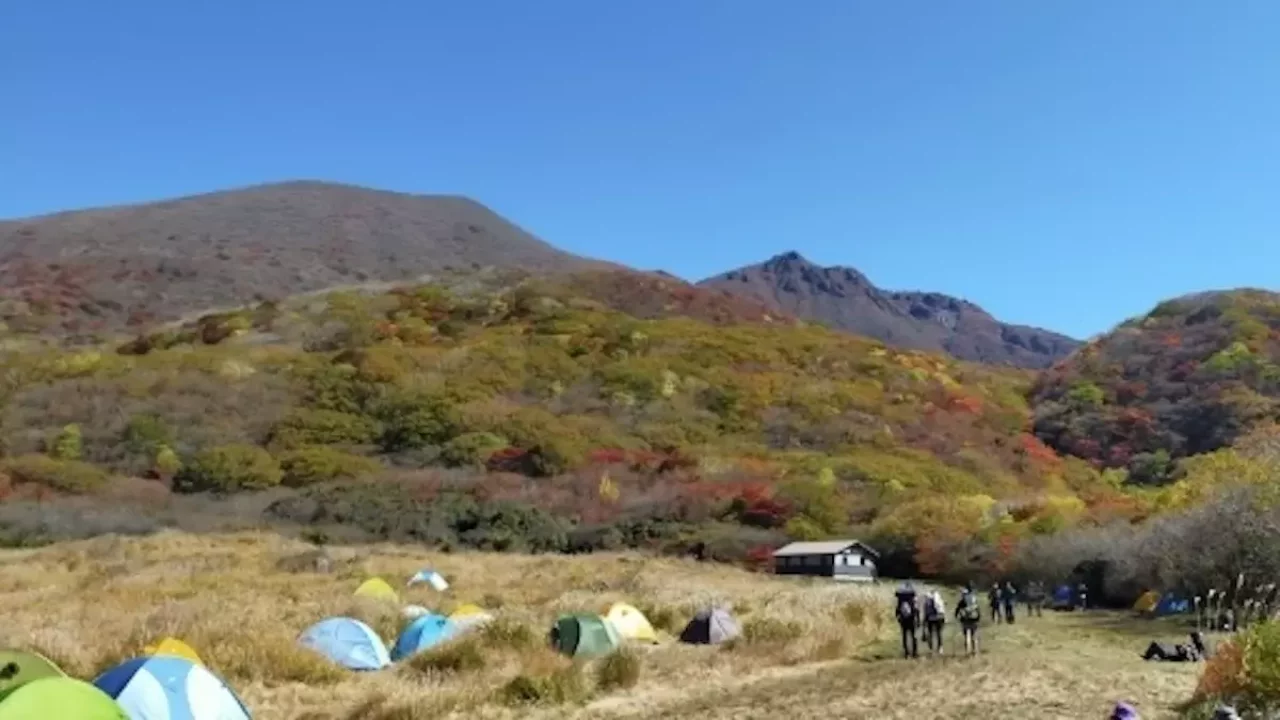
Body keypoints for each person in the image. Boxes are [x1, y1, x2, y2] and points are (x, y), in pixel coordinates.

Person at [894, 582, 920, 659]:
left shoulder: (900, 599)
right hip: (911, 619)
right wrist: (918, 620)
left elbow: (897, 610)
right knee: (913, 636)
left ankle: (906, 653)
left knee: (905, 637)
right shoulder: (912, 599)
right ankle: (915, 653)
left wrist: (898, 618)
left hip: (903, 619)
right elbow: (916, 610)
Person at [956, 582, 982, 656]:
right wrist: (979, 616)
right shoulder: (974, 597)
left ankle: (967, 651)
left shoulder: (964, 597)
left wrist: (957, 615)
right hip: (974, 617)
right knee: (974, 635)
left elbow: (958, 607)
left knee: (966, 636)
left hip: (965, 618)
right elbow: (978, 608)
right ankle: (975, 651)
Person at [923, 589, 946, 654]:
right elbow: (942, 610)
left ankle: (932, 648)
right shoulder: (940, 600)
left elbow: (926, 612)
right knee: (939, 633)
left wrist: (924, 621)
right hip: (940, 618)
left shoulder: (927, 602)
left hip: (931, 618)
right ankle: (940, 648)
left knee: (930, 633)